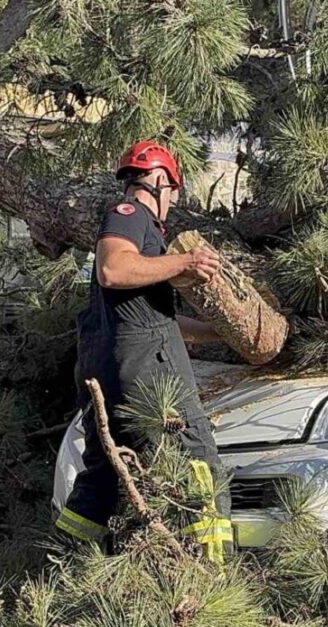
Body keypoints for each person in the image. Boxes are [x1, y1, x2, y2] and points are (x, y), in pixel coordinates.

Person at [56, 141, 233, 562]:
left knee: (105, 471)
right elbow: (113, 270)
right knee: (199, 463)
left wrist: (217, 333)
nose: (172, 200)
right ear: (158, 181)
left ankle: (68, 565)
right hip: (147, 373)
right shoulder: (131, 215)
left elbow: (150, 321)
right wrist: (186, 263)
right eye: (173, 190)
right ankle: (216, 576)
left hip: (110, 368)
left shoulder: (141, 236)